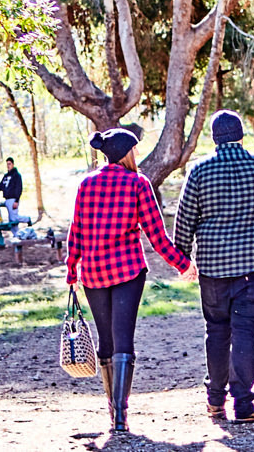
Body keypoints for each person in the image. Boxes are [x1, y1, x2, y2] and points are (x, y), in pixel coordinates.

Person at [66, 127, 192, 434]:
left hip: (94, 273)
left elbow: (76, 232)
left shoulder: (86, 184)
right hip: (128, 272)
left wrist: (72, 271)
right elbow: (157, 236)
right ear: (125, 153)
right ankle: (121, 417)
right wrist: (183, 265)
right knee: (124, 340)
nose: (136, 155)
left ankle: (112, 412)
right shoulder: (138, 184)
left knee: (106, 342)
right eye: (134, 149)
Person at [174, 110, 254, 426]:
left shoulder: (199, 171)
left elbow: (185, 220)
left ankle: (215, 403)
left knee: (216, 331)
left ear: (215, 138)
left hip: (213, 268)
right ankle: (243, 405)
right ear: (240, 136)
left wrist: (183, 260)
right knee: (245, 332)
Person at [0, 156, 25, 224]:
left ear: (13, 164)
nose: (8, 166)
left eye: (9, 164)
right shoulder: (6, 176)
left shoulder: (17, 175)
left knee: (13, 218)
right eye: (7, 164)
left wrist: (16, 200)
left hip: (13, 199)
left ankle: (26, 219)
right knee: (11, 219)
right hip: (7, 199)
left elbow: (19, 188)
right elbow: (0, 187)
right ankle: (16, 234)